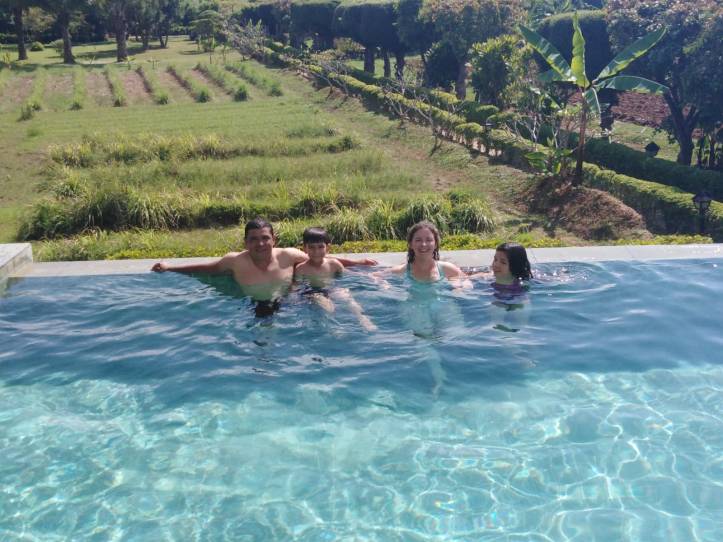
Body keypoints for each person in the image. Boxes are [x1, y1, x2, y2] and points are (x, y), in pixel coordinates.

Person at [151, 218, 374, 317]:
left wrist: (357, 263)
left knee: (328, 310)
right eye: (254, 239)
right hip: (253, 308)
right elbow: (207, 269)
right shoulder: (235, 261)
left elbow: (320, 259)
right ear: (245, 242)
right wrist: (171, 268)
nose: (260, 244)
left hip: (291, 304)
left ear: (274, 240)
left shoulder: (287, 256)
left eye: (265, 238)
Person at [294, 227, 377, 331]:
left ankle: (362, 318)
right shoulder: (301, 268)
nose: (316, 251)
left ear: (328, 247)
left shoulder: (334, 264)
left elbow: (349, 275)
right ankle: (334, 327)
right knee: (327, 306)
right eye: (311, 247)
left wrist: (368, 276)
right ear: (304, 248)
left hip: (331, 288)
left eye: (320, 247)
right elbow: (297, 287)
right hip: (312, 293)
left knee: (347, 298)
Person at [469, 242, 532, 332]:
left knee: (519, 326)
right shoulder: (488, 276)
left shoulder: (520, 283)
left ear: (515, 266)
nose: (496, 264)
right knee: (496, 323)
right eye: (495, 259)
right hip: (498, 299)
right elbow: (467, 278)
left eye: (503, 262)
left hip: (516, 297)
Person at [387, 221, 467, 283]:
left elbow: (466, 280)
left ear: (436, 244)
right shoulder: (402, 270)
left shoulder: (447, 269)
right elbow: (379, 277)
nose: (423, 244)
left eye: (429, 240)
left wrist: (460, 287)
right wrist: (385, 286)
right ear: (411, 244)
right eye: (418, 240)